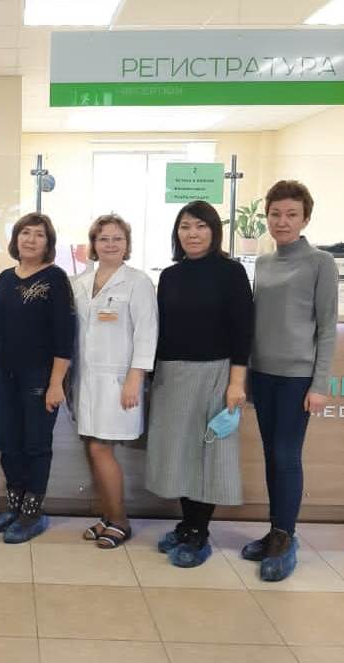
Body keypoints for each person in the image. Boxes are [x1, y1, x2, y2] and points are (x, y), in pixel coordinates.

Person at [145, 200, 253, 568]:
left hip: (215, 374)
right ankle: (186, 523)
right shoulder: (170, 276)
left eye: (201, 226)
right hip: (172, 376)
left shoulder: (231, 272)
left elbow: (243, 331)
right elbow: (160, 330)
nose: (192, 233)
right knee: (179, 453)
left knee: (207, 454)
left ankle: (199, 531)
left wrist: (236, 382)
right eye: (185, 226)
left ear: (214, 231)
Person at [243, 180, 338, 581]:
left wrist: (319, 385)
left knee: (286, 456)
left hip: (297, 378)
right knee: (271, 456)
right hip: (263, 375)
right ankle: (275, 530)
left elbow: (327, 329)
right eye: (275, 214)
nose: (282, 222)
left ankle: (286, 537)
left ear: (305, 219)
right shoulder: (264, 263)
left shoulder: (320, 262)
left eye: (291, 214)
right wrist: (247, 376)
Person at [0, 212, 75, 543]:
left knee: (36, 444)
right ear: (15, 238)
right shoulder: (6, 278)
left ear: (48, 243)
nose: (31, 239)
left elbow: (65, 335)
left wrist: (56, 383)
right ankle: (14, 506)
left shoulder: (55, 278)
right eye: (25, 233)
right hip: (5, 375)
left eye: (39, 234)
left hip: (40, 376)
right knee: (8, 442)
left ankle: (33, 513)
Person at [72, 214, 157, 548]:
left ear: (127, 245)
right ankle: (107, 516)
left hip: (119, 380)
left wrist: (135, 377)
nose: (110, 244)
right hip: (86, 380)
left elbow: (147, 333)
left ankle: (120, 520)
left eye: (117, 239)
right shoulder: (80, 283)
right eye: (103, 238)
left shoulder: (137, 282)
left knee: (100, 447)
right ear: (93, 244)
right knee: (93, 447)